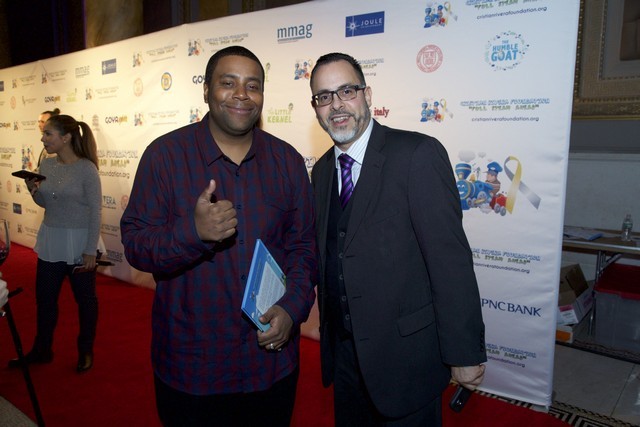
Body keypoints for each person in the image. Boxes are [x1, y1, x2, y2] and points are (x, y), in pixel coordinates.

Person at [120, 45, 317, 426]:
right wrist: (192, 233)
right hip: (193, 369)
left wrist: (292, 310)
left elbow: (304, 248)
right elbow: (136, 246)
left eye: (253, 85)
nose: (241, 94)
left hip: (270, 365)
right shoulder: (165, 157)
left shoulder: (287, 161)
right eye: (228, 83)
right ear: (206, 89)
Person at [309, 52, 487, 426]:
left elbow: (449, 262)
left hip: (405, 360)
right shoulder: (322, 171)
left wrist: (464, 352)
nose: (336, 105)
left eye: (346, 91)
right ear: (316, 108)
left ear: (367, 95)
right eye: (324, 96)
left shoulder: (416, 155)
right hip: (345, 360)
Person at [9, 114, 102, 373]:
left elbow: (96, 211)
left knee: (85, 301)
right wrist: (33, 189)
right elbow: (47, 204)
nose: (43, 138)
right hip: (52, 240)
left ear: (66, 137)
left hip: (80, 244)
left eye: (48, 134)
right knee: (45, 300)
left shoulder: (87, 169)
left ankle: (85, 350)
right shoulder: (47, 165)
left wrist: (90, 250)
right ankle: (42, 350)